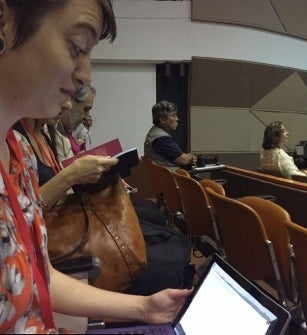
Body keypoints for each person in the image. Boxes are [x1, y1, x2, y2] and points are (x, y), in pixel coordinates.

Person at [0, 0, 189, 331]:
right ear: (4, 21)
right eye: (76, 47)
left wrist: (145, 308)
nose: (84, 74)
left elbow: (38, 275)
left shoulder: (18, 153)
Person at [145, 100, 195, 169]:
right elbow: (184, 160)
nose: (177, 119)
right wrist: (191, 156)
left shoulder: (154, 132)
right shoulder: (161, 139)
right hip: (170, 178)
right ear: (162, 119)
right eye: (173, 115)